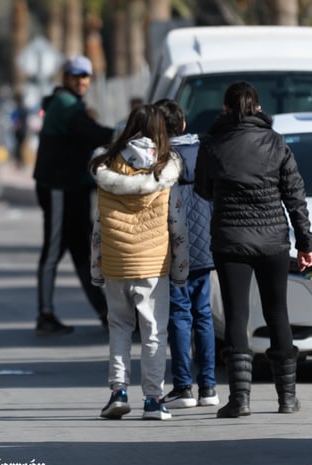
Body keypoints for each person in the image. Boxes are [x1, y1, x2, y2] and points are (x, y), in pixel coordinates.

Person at [195, 81, 312, 418]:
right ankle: (287, 398)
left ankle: (240, 399)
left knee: (237, 315)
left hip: (230, 239)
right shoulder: (276, 143)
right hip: (274, 240)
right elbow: (295, 195)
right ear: (259, 108)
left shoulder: (214, 145)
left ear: (226, 109)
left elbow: (203, 189)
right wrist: (304, 243)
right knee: (278, 313)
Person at [89, 104, 188, 420]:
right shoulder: (165, 168)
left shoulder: (108, 167)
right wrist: (181, 268)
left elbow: (99, 225)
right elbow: (177, 223)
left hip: (117, 263)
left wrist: (96, 266)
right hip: (152, 265)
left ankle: (118, 392)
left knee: (119, 327)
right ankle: (153, 399)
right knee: (154, 331)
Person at [33, 55, 114, 335]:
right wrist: (123, 134)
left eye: (85, 76)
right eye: (75, 75)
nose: (81, 81)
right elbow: (90, 132)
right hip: (58, 187)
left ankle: (105, 312)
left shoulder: (73, 104)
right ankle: (45, 314)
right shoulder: (65, 104)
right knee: (54, 249)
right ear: (66, 77)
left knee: (82, 252)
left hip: (75, 188)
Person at [154, 99, 220, 409]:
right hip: (205, 243)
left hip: (174, 244)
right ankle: (209, 387)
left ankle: (183, 386)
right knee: (203, 314)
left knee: (179, 315)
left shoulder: (160, 159)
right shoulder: (206, 151)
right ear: (183, 124)